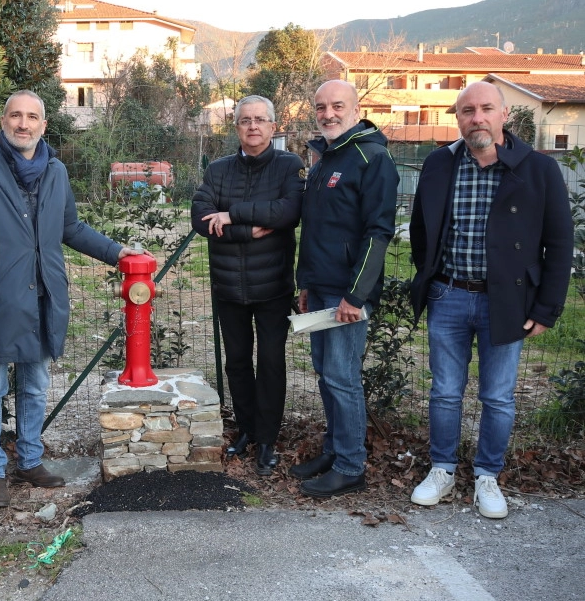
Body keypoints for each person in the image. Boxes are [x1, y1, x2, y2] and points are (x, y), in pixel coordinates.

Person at [0, 90, 149, 508]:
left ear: (43, 125)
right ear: (3, 121)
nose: (23, 124)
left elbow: (70, 227)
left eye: (31, 117)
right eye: (15, 116)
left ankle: (30, 460)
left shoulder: (55, 171)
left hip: (42, 299)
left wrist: (114, 251)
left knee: (36, 385)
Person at [407, 81, 573, 519]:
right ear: (457, 118)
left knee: (497, 397)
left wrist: (546, 308)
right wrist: (429, 278)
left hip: (508, 301)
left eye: (485, 109)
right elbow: (421, 229)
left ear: (504, 115)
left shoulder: (538, 170)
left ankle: (487, 476)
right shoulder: (439, 165)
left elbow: (559, 243)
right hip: (449, 294)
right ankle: (441, 468)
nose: (476, 118)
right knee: (444, 392)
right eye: (467, 111)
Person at [292, 80, 399, 497]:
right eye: (321, 107)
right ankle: (333, 451)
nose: (328, 113)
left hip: (347, 296)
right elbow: (314, 230)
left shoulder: (371, 158)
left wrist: (355, 296)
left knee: (342, 378)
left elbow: (378, 233)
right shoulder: (325, 158)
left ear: (356, 109)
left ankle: (352, 466)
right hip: (320, 291)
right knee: (326, 375)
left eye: (337, 106)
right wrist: (305, 283)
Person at [190, 95, 304, 476]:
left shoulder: (289, 165)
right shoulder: (219, 170)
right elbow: (199, 217)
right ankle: (247, 430)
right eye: (245, 120)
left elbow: (288, 212)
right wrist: (248, 230)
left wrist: (231, 214)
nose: (252, 126)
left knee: (271, 363)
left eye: (260, 120)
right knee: (237, 363)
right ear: (235, 127)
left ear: (273, 126)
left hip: (272, 288)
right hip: (229, 288)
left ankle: (268, 438)